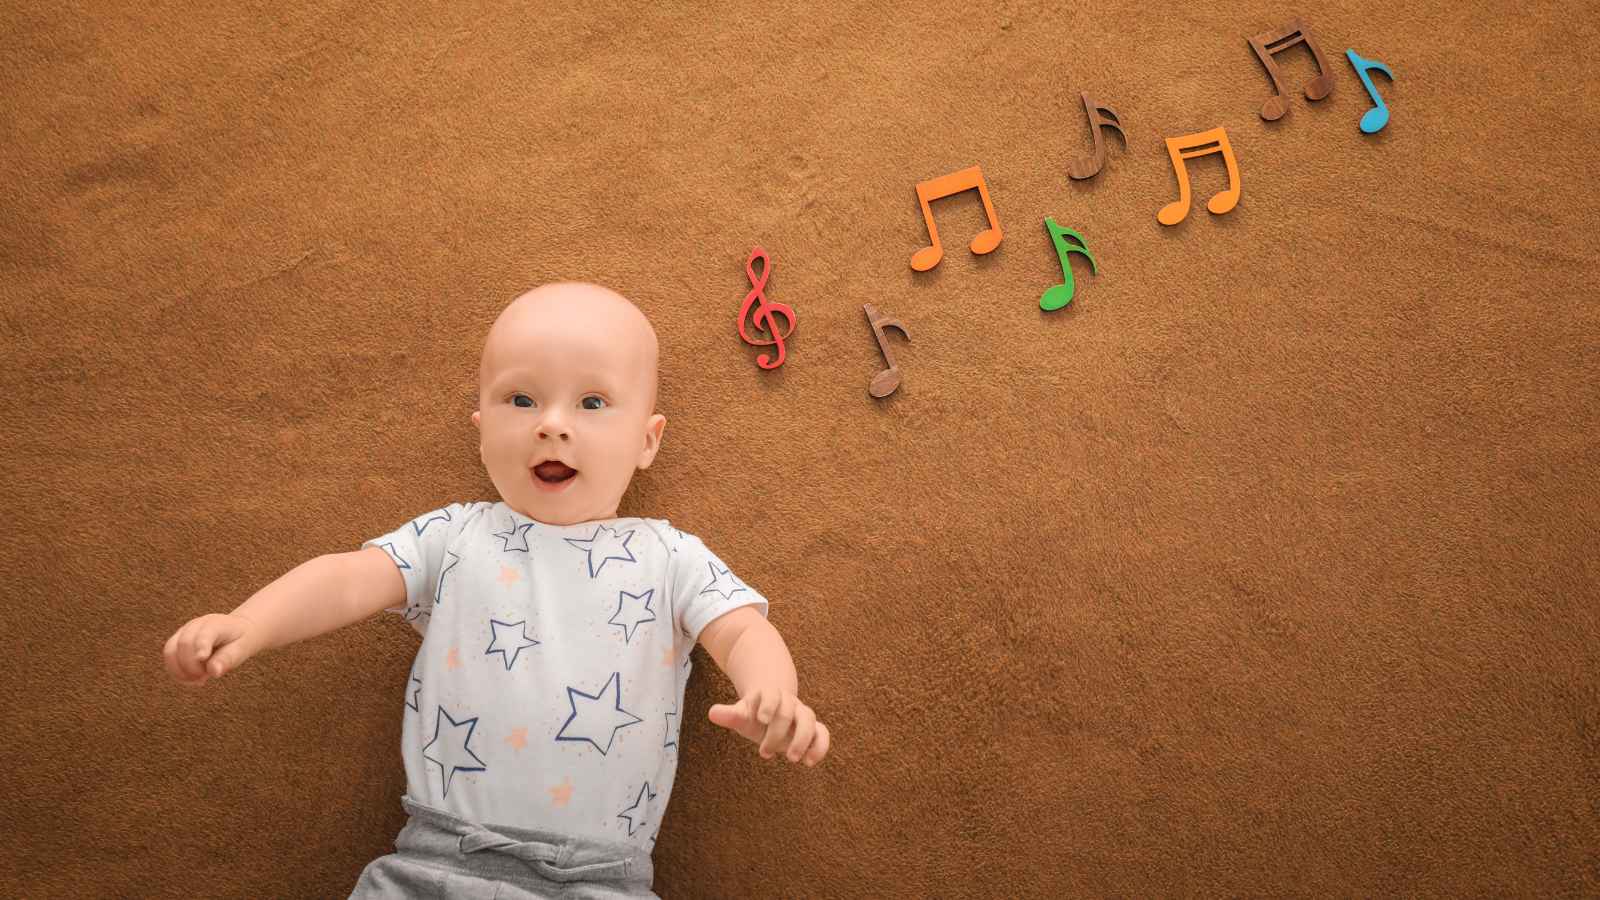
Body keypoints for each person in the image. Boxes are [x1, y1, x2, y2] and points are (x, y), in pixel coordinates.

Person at [162, 282, 830, 898]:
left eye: (592, 403)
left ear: (646, 441)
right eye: (522, 399)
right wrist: (249, 623)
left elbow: (742, 629)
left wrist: (772, 690)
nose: (553, 424)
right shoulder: (453, 538)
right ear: (481, 429)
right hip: (436, 863)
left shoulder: (670, 556)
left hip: (601, 880)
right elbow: (345, 578)